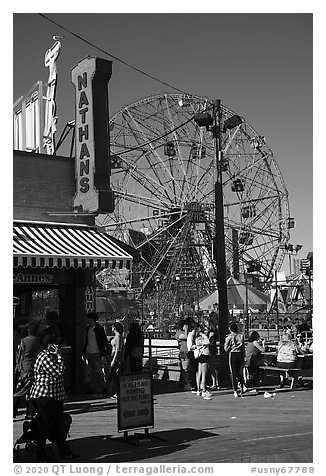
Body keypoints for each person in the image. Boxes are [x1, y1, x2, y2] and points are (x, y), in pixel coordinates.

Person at [29, 343, 77, 462]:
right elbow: (58, 372)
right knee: (44, 426)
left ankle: (64, 451)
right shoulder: (45, 357)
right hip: (45, 396)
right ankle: (41, 455)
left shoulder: (50, 356)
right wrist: (60, 356)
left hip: (54, 397)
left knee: (58, 425)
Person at [13, 320, 42, 419]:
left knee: (19, 391)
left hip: (25, 367)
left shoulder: (24, 341)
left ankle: (13, 411)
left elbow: (20, 355)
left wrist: (17, 367)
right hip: (35, 367)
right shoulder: (38, 340)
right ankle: (30, 413)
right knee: (32, 392)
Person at [82, 312, 111, 397]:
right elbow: (86, 341)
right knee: (90, 372)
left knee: (99, 371)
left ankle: (103, 388)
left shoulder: (99, 328)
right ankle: (92, 388)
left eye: (88, 318)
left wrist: (106, 353)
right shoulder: (88, 328)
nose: (87, 320)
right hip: (89, 352)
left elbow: (104, 340)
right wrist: (83, 352)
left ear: (92, 319)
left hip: (97, 352)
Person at [224, 322, 247, 398]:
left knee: (233, 373)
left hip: (233, 354)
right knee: (239, 371)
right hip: (240, 354)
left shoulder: (229, 337)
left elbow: (226, 348)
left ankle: (235, 390)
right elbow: (243, 347)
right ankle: (243, 385)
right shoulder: (241, 336)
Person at [194, 323, 212, 400]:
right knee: (204, 373)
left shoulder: (195, 337)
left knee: (199, 372)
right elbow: (207, 342)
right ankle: (204, 390)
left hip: (199, 354)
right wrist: (204, 335)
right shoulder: (202, 336)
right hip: (204, 354)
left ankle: (198, 389)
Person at [107, 321, 124, 398]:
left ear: (114, 328)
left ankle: (118, 392)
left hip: (116, 356)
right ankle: (116, 391)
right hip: (114, 355)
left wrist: (114, 360)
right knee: (114, 375)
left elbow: (118, 349)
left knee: (115, 375)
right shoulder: (117, 336)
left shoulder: (118, 336)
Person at [174, 320, 191, 390]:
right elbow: (185, 337)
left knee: (188, 368)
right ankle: (186, 383)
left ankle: (184, 382)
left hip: (189, 352)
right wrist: (186, 330)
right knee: (185, 369)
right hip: (184, 352)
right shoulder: (178, 333)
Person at [186, 322, 199, 393]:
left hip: (196, 353)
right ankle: (193, 385)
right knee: (193, 370)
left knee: (196, 369)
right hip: (192, 353)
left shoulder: (196, 335)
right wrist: (198, 346)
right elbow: (190, 346)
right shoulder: (190, 335)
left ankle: (197, 385)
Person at [207, 324, 220, 390]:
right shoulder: (215, 333)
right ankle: (215, 383)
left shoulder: (211, 333)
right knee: (212, 367)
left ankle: (215, 383)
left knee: (212, 367)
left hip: (211, 351)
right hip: (213, 350)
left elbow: (209, 341)